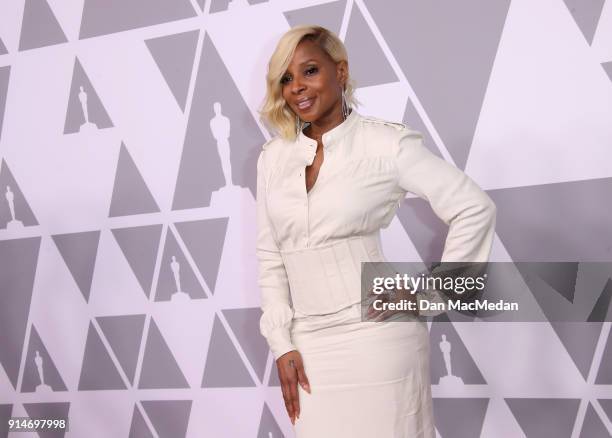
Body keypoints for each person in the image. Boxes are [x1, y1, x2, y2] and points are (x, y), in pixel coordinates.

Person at [256, 24, 496, 437]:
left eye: (310, 71)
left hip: (378, 338)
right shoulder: (273, 159)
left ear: (341, 72)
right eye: (286, 78)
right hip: (308, 343)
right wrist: (283, 343)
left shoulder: (385, 145)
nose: (297, 87)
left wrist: (427, 295)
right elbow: (270, 256)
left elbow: (475, 208)